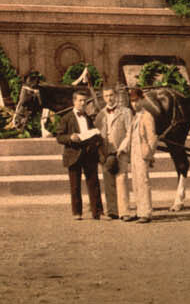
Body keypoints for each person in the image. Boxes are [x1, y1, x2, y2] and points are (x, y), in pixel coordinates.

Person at [55, 89, 103, 220]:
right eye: (80, 100)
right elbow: (59, 136)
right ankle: (77, 212)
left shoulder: (88, 117)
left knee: (93, 183)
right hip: (73, 154)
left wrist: (95, 135)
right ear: (74, 101)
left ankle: (97, 212)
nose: (83, 103)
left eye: (85, 101)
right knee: (75, 185)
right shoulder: (66, 118)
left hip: (89, 154)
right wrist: (70, 137)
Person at [95, 87, 133, 220]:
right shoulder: (100, 114)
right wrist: (100, 151)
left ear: (115, 96)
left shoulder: (126, 112)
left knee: (121, 179)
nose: (109, 98)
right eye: (106, 96)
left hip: (120, 150)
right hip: (106, 151)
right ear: (103, 98)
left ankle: (124, 212)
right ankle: (112, 210)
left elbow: (130, 132)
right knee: (108, 180)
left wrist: (123, 147)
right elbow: (97, 134)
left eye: (111, 95)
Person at [121, 87, 158, 224]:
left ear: (142, 100)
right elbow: (130, 135)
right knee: (136, 182)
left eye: (137, 101)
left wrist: (148, 155)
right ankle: (139, 210)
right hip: (134, 152)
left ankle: (146, 212)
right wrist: (124, 148)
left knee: (143, 182)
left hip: (142, 153)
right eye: (132, 102)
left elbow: (152, 138)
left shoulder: (147, 116)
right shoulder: (135, 116)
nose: (134, 104)